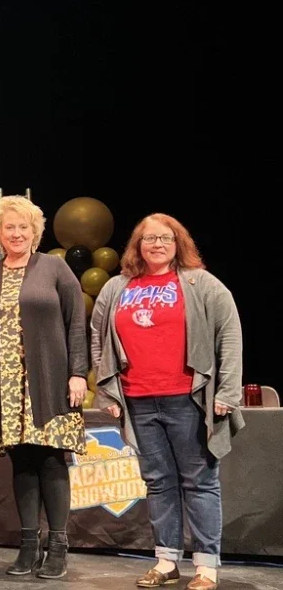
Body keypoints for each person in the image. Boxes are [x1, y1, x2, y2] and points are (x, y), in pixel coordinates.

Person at [91, 213, 244, 590]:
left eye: (165, 239)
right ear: (137, 246)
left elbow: (230, 336)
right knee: (158, 483)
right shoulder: (117, 287)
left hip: (187, 399)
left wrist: (227, 393)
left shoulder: (201, 284)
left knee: (200, 482)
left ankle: (206, 567)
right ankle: (166, 562)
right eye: (148, 239)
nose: (156, 245)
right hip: (138, 399)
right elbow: (98, 338)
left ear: (178, 244)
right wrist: (108, 391)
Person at [0, 195, 88, 579]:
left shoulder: (55, 268)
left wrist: (79, 372)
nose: (16, 233)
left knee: (51, 460)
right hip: (6, 387)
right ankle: (29, 545)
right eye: (8, 227)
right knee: (21, 463)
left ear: (35, 231)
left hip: (49, 381)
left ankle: (58, 547)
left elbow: (76, 322)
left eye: (23, 227)